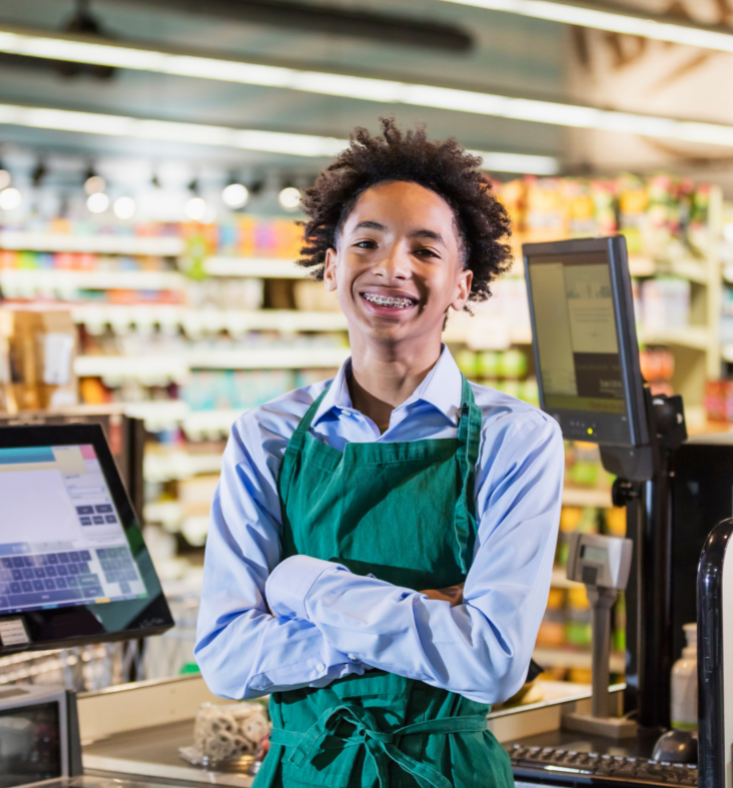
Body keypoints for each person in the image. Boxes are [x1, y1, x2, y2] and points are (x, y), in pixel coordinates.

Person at [194, 118, 564, 788]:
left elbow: (492, 664)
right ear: (333, 266)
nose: (392, 267)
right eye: (368, 242)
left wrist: (304, 586)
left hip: (447, 774)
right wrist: (426, 617)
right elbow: (225, 659)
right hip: (303, 772)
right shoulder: (266, 436)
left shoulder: (517, 439)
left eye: (425, 251)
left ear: (462, 284)